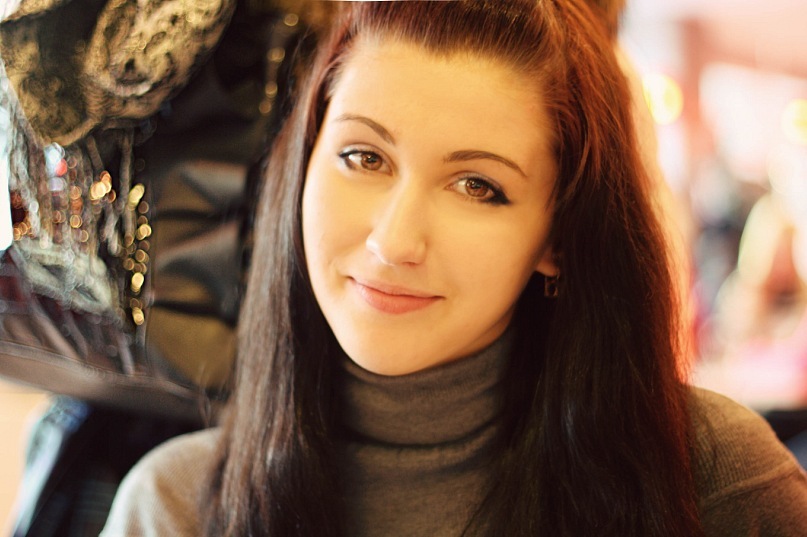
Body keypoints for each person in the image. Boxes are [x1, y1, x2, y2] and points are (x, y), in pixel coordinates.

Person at [101, 1, 807, 536]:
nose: (394, 241)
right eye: (363, 157)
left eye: (477, 185)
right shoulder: (173, 508)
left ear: (559, 236)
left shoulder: (713, 479)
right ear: (303, 168)